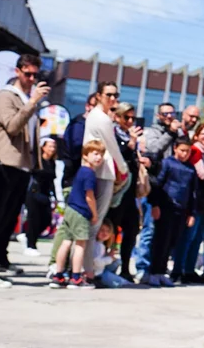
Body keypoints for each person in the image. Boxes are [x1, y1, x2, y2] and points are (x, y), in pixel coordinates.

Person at [0, 54, 49, 287]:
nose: (32, 79)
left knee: (8, 218)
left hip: (23, 165)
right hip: (4, 162)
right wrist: (32, 102)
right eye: (28, 74)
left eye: (35, 75)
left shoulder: (27, 99)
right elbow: (13, 126)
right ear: (17, 72)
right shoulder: (6, 96)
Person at [81, 81, 128, 282]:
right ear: (99, 95)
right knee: (94, 223)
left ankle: (84, 269)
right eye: (108, 94)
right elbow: (112, 146)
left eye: (116, 95)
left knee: (93, 223)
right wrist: (123, 168)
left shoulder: (99, 116)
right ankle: (87, 271)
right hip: (102, 172)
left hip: (99, 170)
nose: (113, 98)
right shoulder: (101, 118)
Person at [171, 123, 204, 284]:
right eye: (203, 134)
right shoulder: (195, 151)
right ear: (196, 136)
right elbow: (201, 174)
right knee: (187, 238)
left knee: (197, 239)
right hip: (194, 201)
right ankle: (178, 270)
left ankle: (189, 270)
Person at [49, 140, 103, 290]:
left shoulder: (81, 171)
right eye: (95, 154)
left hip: (70, 209)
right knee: (80, 245)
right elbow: (89, 196)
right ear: (85, 155)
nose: (99, 157)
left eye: (101, 154)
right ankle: (76, 277)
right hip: (81, 212)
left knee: (66, 242)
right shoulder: (89, 173)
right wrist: (94, 214)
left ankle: (58, 275)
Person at [135, 102, 180, 277]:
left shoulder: (178, 133)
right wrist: (170, 133)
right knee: (149, 229)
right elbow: (153, 150)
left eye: (172, 113)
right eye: (165, 114)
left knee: (165, 233)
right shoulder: (153, 132)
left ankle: (158, 269)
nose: (169, 116)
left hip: (171, 188)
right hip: (154, 186)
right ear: (158, 116)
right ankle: (142, 268)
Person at [147, 138, 198, 288]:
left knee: (172, 241)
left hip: (181, 210)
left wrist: (191, 213)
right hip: (166, 207)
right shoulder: (167, 163)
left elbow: (193, 193)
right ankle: (153, 272)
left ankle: (162, 272)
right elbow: (158, 184)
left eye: (188, 151)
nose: (185, 154)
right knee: (161, 240)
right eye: (182, 150)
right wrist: (155, 205)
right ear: (175, 148)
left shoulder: (191, 169)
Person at [108, 103, 145, 284]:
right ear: (118, 117)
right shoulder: (112, 133)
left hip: (130, 192)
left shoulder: (131, 136)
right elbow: (116, 155)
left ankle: (125, 267)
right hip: (115, 191)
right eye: (126, 117)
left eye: (132, 118)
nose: (130, 121)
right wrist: (130, 144)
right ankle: (106, 266)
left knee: (131, 229)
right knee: (111, 228)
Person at [22, 137, 58, 257]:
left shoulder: (52, 163)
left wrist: (55, 196)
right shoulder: (37, 160)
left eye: (54, 146)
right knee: (34, 219)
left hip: (45, 194)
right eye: (50, 146)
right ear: (43, 147)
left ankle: (28, 236)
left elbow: (52, 181)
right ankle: (31, 245)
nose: (52, 149)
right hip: (34, 192)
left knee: (46, 219)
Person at [62, 92, 97, 189]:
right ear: (87, 106)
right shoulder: (78, 125)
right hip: (74, 179)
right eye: (94, 106)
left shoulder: (91, 125)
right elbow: (77, 150)